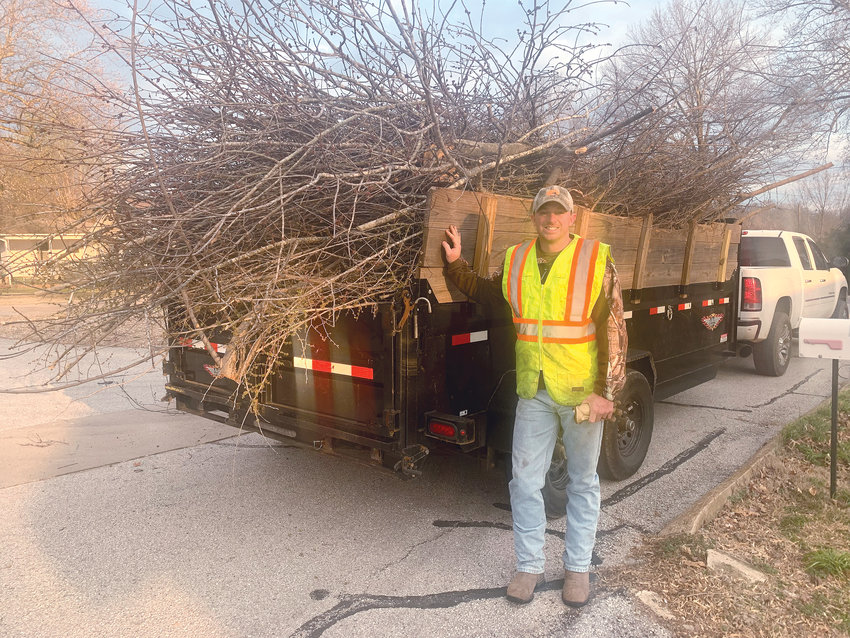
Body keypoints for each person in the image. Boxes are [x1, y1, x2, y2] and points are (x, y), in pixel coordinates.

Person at [441, 184, 627, 607]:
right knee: (524, 481)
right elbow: (489, 292)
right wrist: (455, 266)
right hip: (534, 389)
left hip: (581, 393)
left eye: (558, 212)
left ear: (572, 218)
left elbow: (614, 327)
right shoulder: (517, 258)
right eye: (544, 212)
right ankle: (529, 566)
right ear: (535, 216)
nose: (551, 219)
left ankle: (577, 571)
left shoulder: (596, 259)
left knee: (582, 482)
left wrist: (606, 392)